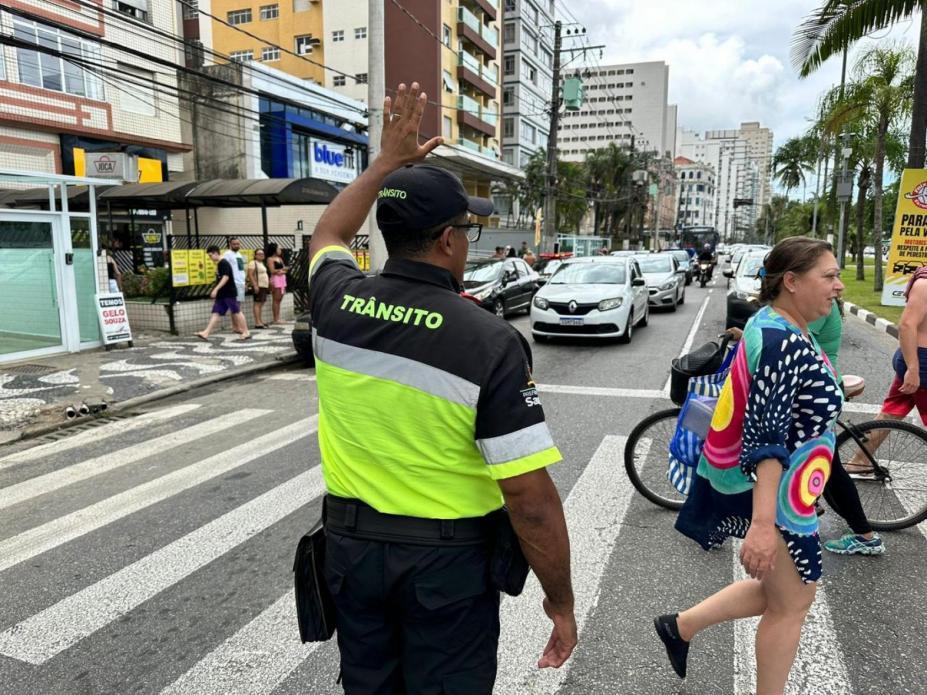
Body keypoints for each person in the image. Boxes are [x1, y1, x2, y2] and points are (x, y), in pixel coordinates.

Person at [308, 82, 576, 694]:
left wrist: (383, 163)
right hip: (444, 570)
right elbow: (529, 500)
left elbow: (326, 235)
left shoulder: (337, 301)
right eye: (467, 230)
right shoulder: (488, 340)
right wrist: (559, 603)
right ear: (450, 240)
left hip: (352, 556)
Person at [656, 237, 844, 695]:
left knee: (781, 594)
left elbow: (784, 404)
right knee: (792, 602)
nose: (839, 286)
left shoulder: (775, 322)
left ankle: (679, 627)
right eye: (830, 276)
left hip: (792, 492)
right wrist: (762, 525)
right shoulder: (781, 340)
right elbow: (766, 441)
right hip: (781, 500)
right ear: (792, 282)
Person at [809, 299, 885, 555]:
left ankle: (865, 535)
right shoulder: (816, 301)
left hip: (821, 391)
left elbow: (795, 337)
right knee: (824, 465)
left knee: (829, 468)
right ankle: (810, 502)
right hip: (815, 389)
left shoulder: (819, 306)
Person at [851, 266, 927, 473]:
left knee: (892, 412)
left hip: (916, 360)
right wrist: (913, 368)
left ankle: (859, 461)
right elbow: (906, 325)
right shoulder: (925, 284)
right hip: (920, 361)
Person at [196, 245, 251, 342]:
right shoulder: (220, 263)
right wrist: (217, 290)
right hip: (223, 293)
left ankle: (246, 332)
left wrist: (216, 289)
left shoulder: (223, 263)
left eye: (210, 255)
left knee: (237, 311)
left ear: (216, 253)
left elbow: (225, 277)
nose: (210, 258)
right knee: (216, 312)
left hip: (229, 292)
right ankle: (206, 332)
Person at [246, 248, 270, 329]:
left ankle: (260, 321)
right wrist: (255, 285)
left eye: (262, 254)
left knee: (261, 304)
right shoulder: (253, 263)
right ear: (255, 255)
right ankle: (257, 322)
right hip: (258, 285)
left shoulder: (262, 263)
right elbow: (250, 275)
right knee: (257, 304)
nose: (261, 255)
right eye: (259, 254)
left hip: (264, 286)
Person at [267, 242, 288, 324]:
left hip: (282, 278)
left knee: (280, 299)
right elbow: (272, 270)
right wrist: (280, 270)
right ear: (274, 250)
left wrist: (281, 271)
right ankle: (276, 318)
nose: (280, 250)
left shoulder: (280, 259)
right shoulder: (270, 259)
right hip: (276, 279)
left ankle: (278, 317)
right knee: (276, 299)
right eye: (278, 248)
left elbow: (284, 269)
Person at [223, 237, 247, 308]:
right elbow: (225, 268)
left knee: (238, 304)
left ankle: (237, 319)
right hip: (233, 283)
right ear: (230, 244)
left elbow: (241, 270)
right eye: (234, 244)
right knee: (234, 304)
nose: (236, 245)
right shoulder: (227, 254)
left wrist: (244, 282)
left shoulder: (239, 254)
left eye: (238, 244)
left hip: (241, 282)